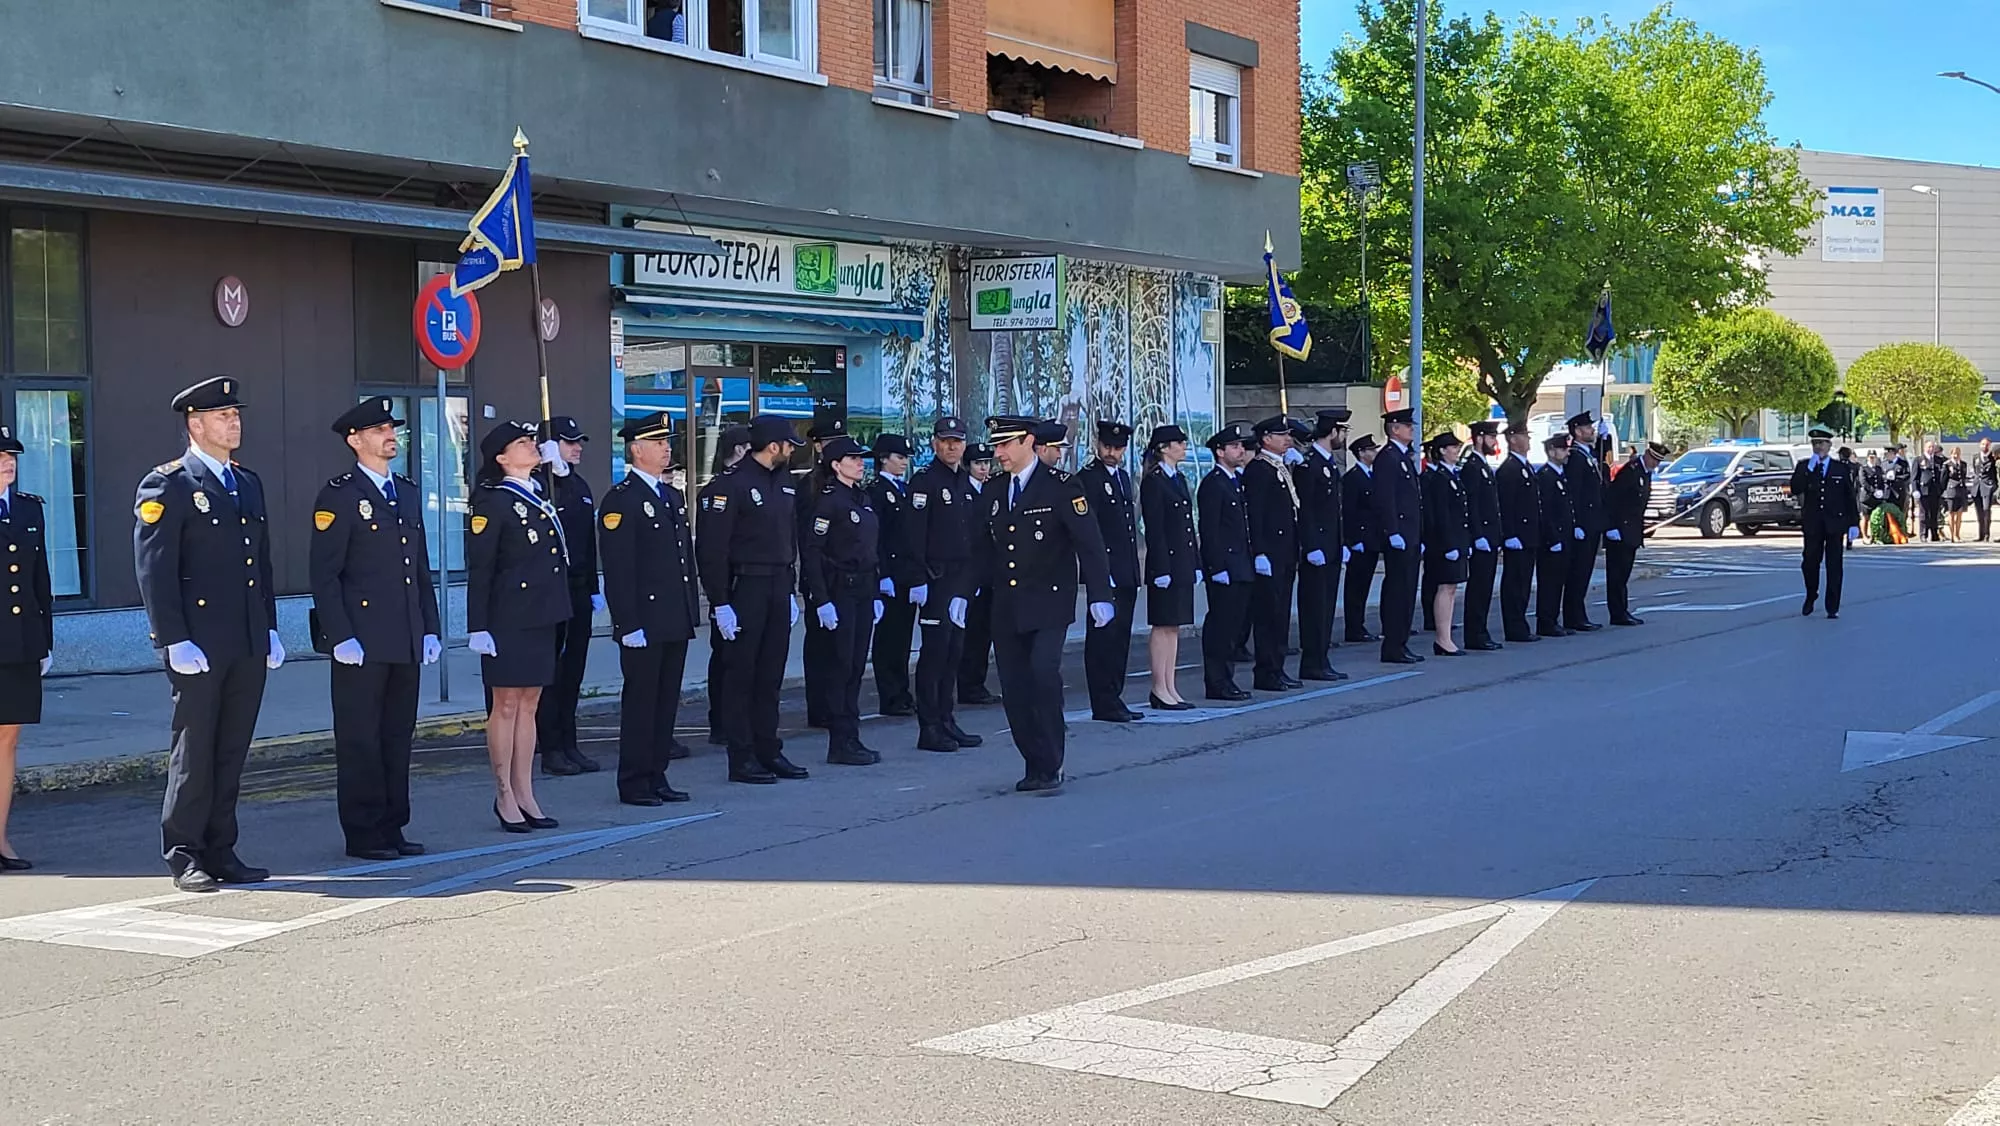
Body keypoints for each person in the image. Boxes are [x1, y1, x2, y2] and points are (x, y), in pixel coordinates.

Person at [135, 376, 282, 891]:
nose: (234, 421)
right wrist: (172, 638)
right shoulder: (169, 484)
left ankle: (222, 848)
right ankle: (184, 852)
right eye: (223, 416)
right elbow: (155, 569)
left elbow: (259, 565)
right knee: (195, 749)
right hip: (198, 641)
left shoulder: (248, 482)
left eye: (235, 414)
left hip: (244, 637)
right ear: (195, 425)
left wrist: (270, 627)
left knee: (232, 747)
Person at [310, 398, 442, 860]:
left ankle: (393, 825)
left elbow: (418, 568)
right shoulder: (340, 495)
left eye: (392, 427)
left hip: (404, 635)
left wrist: (429, 627)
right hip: (361, 641)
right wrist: (340, 635)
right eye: (380, 429)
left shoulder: (404, 490)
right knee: (360, 737)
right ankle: (364, 831)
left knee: (396, 735)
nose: (391, 435)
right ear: (355, 439)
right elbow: (325, 575)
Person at [973, 416, 1114, 793]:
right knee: (1015, 687)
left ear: (1028, 442)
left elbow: (1089, 543)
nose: (998, 453)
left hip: (1050, 601)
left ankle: (1052, 761)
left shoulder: (1062, 487)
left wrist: (1100, 594)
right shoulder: (994, 490)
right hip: (1007, 604)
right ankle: (1033, 761)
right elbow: (980, 549)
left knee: (1043, 673)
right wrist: (960, 591)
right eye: (995, 446)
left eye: (1005, 445)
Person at [466, 421, 571, 833]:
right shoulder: (493, 501)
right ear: (502, 458)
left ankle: (525, 790)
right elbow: (482, 567)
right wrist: (478, 625)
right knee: (505, 705)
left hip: (541, 613)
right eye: (523, 444)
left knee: (530, 703)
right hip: (507, 616)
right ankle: (503, 793)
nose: (533, 447)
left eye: (532, 442)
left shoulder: (539, 494)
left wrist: (561, 469)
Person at [698, 413, 810, 784]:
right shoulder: (730, 485)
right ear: (773, 446)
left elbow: (789, 540)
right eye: (789, 445)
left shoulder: (783, 483)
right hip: (745, 588)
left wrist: (792, 590)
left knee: (770, 676)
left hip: (778, 585)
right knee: (741, 676)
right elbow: (713, 550)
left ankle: (768, 749)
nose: (793, 452)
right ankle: (741, 755)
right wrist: (720, 602)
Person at [598, 409, 698, 806]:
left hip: (673, 616)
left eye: (666, 443)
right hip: (644, 620)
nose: (666, 449)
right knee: (641, 702)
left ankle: (657, 775)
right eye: (658, 444)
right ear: (637, 450)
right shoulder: (621, 500)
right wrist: (627, 622)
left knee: (666, 700)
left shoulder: (670, 495)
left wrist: (691, 610)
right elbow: (620, 568)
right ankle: (635, 779)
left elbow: (682, 561)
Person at [800, 435, 883, 766]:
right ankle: (840, 739)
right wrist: (821, 600)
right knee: (841, 666)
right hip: (841, 590)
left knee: (856, 666)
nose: (860, 463)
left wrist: (876, 591)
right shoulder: (829, 501)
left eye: (860, 458)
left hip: (864, 588)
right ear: (836, 465)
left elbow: (869, 549)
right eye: (853, 459)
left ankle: (852, 736)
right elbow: (812, 552)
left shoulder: (861, 498)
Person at [904, 416, 983, 753]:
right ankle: (930, 726)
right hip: (935, 579)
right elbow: (912, 536)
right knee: (934, 655)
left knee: (954, 653)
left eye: (957, 441)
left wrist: (974, 580)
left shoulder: (965, 483)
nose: (952, 447)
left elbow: (975, 535)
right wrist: (917, 579)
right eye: (946, 441)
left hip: (960, 581)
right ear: (934, 443)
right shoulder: (925, 482)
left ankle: (947, 719)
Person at [533, 416, 604, 777]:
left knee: (573, 671)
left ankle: (570, 742)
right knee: (553, 673)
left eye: (579, 441)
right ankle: (551, 747)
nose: (577, 447)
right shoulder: (542, 484)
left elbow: (587, 544)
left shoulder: (579, 485)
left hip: (577, 588)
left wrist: (593, 588)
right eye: (568, 441)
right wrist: (549, 471)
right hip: (551, 591)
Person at [0, 425, 53, 871]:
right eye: (0, 457)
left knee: (9, 737)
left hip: (19, 644)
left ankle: (0, 839)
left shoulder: (27, 510)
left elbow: (40, 583)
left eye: (11, 456)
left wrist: (45, 640)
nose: (8, 462)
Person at [1075, 421, 1143, 721]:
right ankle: (1102, 701)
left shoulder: (1123, 478)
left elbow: (1127, 527)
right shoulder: (1088, 478)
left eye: (1117, 448)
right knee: (1103, 640)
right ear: (1097, 445)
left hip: (1125, 569)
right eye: (1107, 447)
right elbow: (1091, 531)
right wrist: (1101, 571)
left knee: (1120, 640)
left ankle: (1115, 696)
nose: (1111, 453)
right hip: (1105, 571)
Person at [1139, 424, 1198, 709]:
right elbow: (1156, 528)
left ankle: (1170, 685)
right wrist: (1161, 568)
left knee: (1174, 626)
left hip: (1181, 561)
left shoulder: (1178, 478)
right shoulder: (1155, 480)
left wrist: (1194, 562)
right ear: (1163, 447)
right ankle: (1159, 687)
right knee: (1162, 625)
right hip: (1166, 563)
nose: (1184, 447)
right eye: (1179, 443)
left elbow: (1187, 525)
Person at [1242, 416, 1302, 690]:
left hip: (1286, 551)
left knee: (1281, 613)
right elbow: (1256, 513)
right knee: (1268, 614)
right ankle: (1266, 671)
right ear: (1266, 438)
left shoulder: (1280, 466)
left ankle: (1277, 667)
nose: (1287, 439)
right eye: (1281, 435)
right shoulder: (1259, 469)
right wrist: (1260, 551)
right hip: (1270, 552)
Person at [702, 423, 752, 745]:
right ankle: (719, 720)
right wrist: (719, 598)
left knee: (744, 659)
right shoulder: (717, 490)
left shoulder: (746, 487)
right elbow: (711, 549)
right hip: (729, 585)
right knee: (725, 658)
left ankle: (737, 718)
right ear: (739, 451)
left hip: (750, 587)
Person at [1198, 425, 1254, 701]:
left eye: (1241, 446)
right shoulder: (1213, 483)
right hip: (1225, 567)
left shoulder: (1237, 480)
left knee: (1234, 626)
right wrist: (1216, 566)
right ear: (1220, 452)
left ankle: (1227, 678)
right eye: (1233, 446)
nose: (1240, 450)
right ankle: (1217, 681)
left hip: (1241, 564)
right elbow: (1210, 529)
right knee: (1221, 626)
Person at [799, 418, 848, 729]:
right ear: (818, 447)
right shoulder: (809, 485)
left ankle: (838, 704)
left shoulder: (849, 486)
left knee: (842, 647)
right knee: (820, 643)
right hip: (820, 574)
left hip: (846, 576)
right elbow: (808, 537)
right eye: (828, 443)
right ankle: (820, 706)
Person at [1294, 408, 1349, 681]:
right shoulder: (1310, 465)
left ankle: (1321, 658)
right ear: (1332, 431)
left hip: (1331, 546)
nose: (1344, 436)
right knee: (1315, 606)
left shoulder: (1327, 463)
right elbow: (1307, 510)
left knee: (1327, 605)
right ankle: (1312, 660)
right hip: (1317, 549)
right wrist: (1311, 544)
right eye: (1342, 430)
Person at [867, 433, 919, 716]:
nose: (903, 464)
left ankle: (902, 691)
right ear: (883, 459)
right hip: (889, 575)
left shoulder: (904, 489)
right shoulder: (876, 491)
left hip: (906, 574)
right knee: (888, 638)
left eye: (905, 459)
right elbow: (879, 538)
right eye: (899, 458)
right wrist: (882, 574)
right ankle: (890, 694)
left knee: (902, 637)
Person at [1792, 428, 1860, 619]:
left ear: (1829, 446)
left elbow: (1849, 497)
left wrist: (1854, 523)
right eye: (1815, 443)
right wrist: (1808, 470)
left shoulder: (1840, 468)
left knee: (1834, 565)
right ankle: (1811, 593)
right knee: (1809, 562)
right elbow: (1795, 487)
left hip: (1835, 523)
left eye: (1822, 443)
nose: (1818, 447)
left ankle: (1832, 605)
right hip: (1813, 523)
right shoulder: (1804, 466)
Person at [1372, 409, 1423, 664]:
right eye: (1406, 425)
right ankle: (1393, 645)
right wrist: (1392, 531)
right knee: (1397, 590)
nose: (1410, 429)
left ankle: (1401, 642)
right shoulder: (1388, 458)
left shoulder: (1402, 458)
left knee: (1407, 591)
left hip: (1410, 534)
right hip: (1399, 535)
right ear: (1394, 429)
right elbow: (1385, 498)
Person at [1604, 440, 1668, 626]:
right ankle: (1617, 613)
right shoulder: (1631, 471)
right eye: (1654, 460)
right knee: (1616, 575)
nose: (1655, 465)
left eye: (1658, 462)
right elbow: (1613, 499)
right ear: (1647, 455)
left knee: (1624, 574)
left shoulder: (1644, 473)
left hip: (1631, 531)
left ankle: (1622, 610)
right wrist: (1611, 527)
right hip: (1620, 530)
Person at [1420, 431, 1471, 657]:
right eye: (1452, 447)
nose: (1456, 451)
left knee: (1451, 588)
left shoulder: (1451, 476)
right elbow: (1440, 515)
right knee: (1445, 587)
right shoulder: (1439, 478)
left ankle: (1446, 636)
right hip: (1444, 544)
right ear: (1442, 451)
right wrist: (1449, 544)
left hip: (1456, 540)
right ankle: (1443, 638)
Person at [958, 442, 1000, 706]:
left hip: (990, 572)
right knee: (968, 633)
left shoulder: (992, 490)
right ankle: (965, 684)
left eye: (986, 463)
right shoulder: (962, 491)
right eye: (978, 463)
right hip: (968, 572)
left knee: (984, 631)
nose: (984, 468)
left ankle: (977, 682)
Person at [1458, 421, 1503, 651]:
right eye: (1491, 437)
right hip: (1481, 536)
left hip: (1490, 535)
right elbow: (1472, 504)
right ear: (1478, 438)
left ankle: (1481, 631)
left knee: (1485, 587)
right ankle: (1475, 634)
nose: (1494, 441)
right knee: (1478, 587)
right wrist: (1478, 535)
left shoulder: (1483, 465)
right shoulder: (1472, 467)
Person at [1496, 422, 1543, 643]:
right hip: (1518, 535)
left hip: (1529, 534)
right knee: (1515, 582)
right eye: (1524, 436)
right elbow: (1506, 505)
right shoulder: (1510, 469)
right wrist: (1510, 533)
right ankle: (1514, 626)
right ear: (1513, 439)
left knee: (1524, 581)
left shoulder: (1524, 466)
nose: (1528, 440)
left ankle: (1520, 623)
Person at [1561, 411, 1606, 633]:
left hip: (1592, 521)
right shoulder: (1576, 458)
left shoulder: (1587, 454)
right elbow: (1575, 493)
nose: (1592, 430)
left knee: (1585, 569)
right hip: (1583, 523)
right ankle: (1573, 615)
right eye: (1588, 428)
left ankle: (1578, 613)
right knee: (1578, 571)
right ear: (1578, 431)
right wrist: (1577, 522)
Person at [1342, 435, 1384, 645]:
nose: (1374, 453)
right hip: (1361, 539)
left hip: (1372, 538)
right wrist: (1353, 539)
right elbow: (1349, 511)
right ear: (1361, 453)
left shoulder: (1372, 476)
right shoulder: (1354, 477)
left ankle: (1359, 624)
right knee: (1356, 586)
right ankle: (1353, 626)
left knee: (1364, 584)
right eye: (1371, 450)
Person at [1535, 435, 1575, 639]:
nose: (1566, 452)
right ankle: (1546, 621)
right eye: (1562, 449)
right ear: (1551, 452)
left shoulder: (1560, 475)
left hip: (1564, 536)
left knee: (1558, 580)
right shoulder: (1546, 476)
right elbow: (1546, 512)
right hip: (1552, 540)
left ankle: (1553, 619)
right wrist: (1552, 539)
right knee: (1549, 582)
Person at [1917, 442, 1947, 543]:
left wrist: (1941, 488)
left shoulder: (1939, 460)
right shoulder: (1919, 459)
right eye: (1929, 447)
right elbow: (1915, 477)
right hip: (1924, 490)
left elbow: (1942, 474)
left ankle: (1934, 534)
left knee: (1934, 513)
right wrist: (1915, 489)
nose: (1931, 449)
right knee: (1924, 513)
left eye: (1933, 447)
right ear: (1925, 448)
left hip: (1935, 490)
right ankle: (1923, 534)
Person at [1975, 438, 1998, 542]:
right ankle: (1980, 534)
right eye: (1983, 444)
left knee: (1986, 511)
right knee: (1979, 512)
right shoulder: (1976, 457)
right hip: (1977, 487)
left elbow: (1995, 474)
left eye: (1987, 445)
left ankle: (1986, 535)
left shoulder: (1993, 458)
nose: (1985, 446)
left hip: (1988, 487)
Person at [1946, 445, 1970, 542]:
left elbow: (1963, 477)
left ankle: (1957, 534)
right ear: (1951, 454)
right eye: (1954, 453)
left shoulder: (1963, 464)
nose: (1956, 455)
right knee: (1951, 514)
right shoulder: (1947, 464)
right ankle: (1952, 535)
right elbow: (1944, 479)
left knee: (1959, 514)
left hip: (1961, 491)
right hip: (1951, 491)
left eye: (1958, 453)